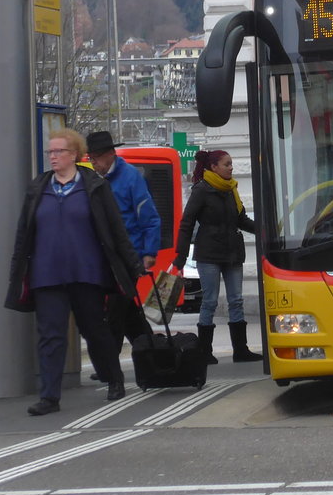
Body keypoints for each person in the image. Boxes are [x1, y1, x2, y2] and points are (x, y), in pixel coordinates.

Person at [5, 129, 146, 416]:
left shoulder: (94, 186)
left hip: (87, 272)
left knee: (95, 331)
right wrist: (16, 270)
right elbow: (23, 233)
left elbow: (115, 228)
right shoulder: (38, 188)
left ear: (74, 155)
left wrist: (132, 264)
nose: (53, 157)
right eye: (50, 152)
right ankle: (49, 397)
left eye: (59, 152)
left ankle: (113, 378)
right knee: (50, 336)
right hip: (47, 274)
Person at [173, 149, 260, 364]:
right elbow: (187, 223)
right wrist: (181, 255)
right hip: (209, 253)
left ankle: (241, 350)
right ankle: (205, 352)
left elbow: (241, 220)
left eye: (231, 164)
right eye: (227, 164)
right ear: (214, 167)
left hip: (232, 252)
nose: (231, 167)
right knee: (210, 301)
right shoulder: (201, 190)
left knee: (236, 300)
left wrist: (265, 229)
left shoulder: (231, 189)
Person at [86, 130, 161, 375]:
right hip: (107, 257)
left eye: (96, 157)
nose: (92, 162)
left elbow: (149, 217)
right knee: (129, 315)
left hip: (128, 257)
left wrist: (149, 252)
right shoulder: (96, 179)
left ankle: (109, 367)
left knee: (115, 314)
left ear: (110, 155)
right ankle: (154, 355)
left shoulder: (130, 177)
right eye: (90, 158)